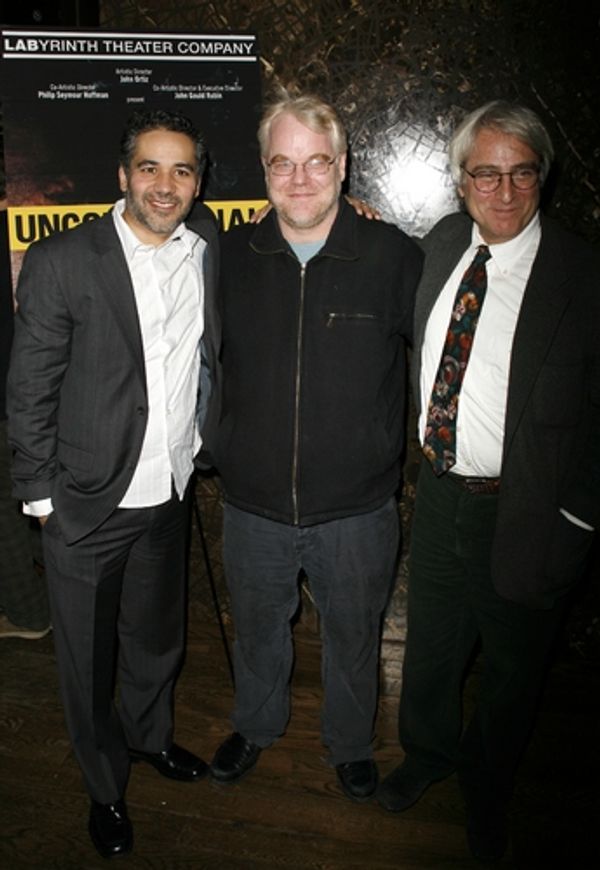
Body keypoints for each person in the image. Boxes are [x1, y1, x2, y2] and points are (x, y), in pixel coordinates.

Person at [377, 100, 600, 861]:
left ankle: (487, 785)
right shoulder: (442, 244)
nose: (504, 193)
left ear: (544, 175)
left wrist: (579, 519)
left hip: (530, 511)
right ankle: (429, 755)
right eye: (486, 175)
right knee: (432, 647)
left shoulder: (582, 274)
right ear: (460, 181)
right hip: (441, 495)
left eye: (521, 173)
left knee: (512, 673)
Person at [7, 109, 221, 859]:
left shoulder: (207, 249)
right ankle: (104, 786)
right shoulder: (66, 258)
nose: (167, 185)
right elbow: (29, 386)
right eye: (152, 168)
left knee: (156, 640)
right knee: (86, 661)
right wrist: (42, 498)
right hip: (86, 503)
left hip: (168, 490)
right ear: (124, 175)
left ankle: (150, 738)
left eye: (183, 170)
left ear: (200, 182)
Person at [209, 89, 423, 803]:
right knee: (258, 633)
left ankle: (351, 743)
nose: (299, 180)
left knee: (355, 636)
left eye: (317, 162)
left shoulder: (393, 254)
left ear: (343, 166)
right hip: (253, 505)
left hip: (357, 509)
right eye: (282, 163)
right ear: (263, 169)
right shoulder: (228, 255)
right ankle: (256, 725)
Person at [0, 196, 50, 640]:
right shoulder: (23, 229)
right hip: (37, 398)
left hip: (14, 400)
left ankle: (30, 614)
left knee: (6, 512)